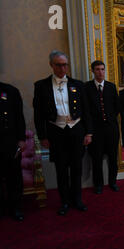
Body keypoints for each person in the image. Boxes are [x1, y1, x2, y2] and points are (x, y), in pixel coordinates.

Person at [33, 50, 93, 216]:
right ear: (51, 65)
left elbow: (86, 110)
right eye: (59, 65)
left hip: (76, 131)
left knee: (76, 167)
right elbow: (38, 114)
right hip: (56, 132)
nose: (62, 68)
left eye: (65, 64)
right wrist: (42, 136)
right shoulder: (41, 86)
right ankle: (64, 202)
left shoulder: (78, 84)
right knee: (61, 169)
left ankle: (77, 200)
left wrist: (88, 133)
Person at [84, 60, 120, 194]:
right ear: (93, 71)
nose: (101, 72)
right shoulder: (86, 87)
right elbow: (86, 110)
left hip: (111, 129)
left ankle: (113, 182)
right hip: (95, 130)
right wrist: (89, 130)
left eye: (102, 69)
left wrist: (109, 119)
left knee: (113, 158)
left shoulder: (111, 86)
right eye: (98, 69)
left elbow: (117, 107)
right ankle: (98, 184)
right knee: (96, 159)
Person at [0, 82, 26, 221]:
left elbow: (19, 117)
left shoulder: (10, 90)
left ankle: (15, 208)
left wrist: (21, 139)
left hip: (9, 143)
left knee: (14, 177)